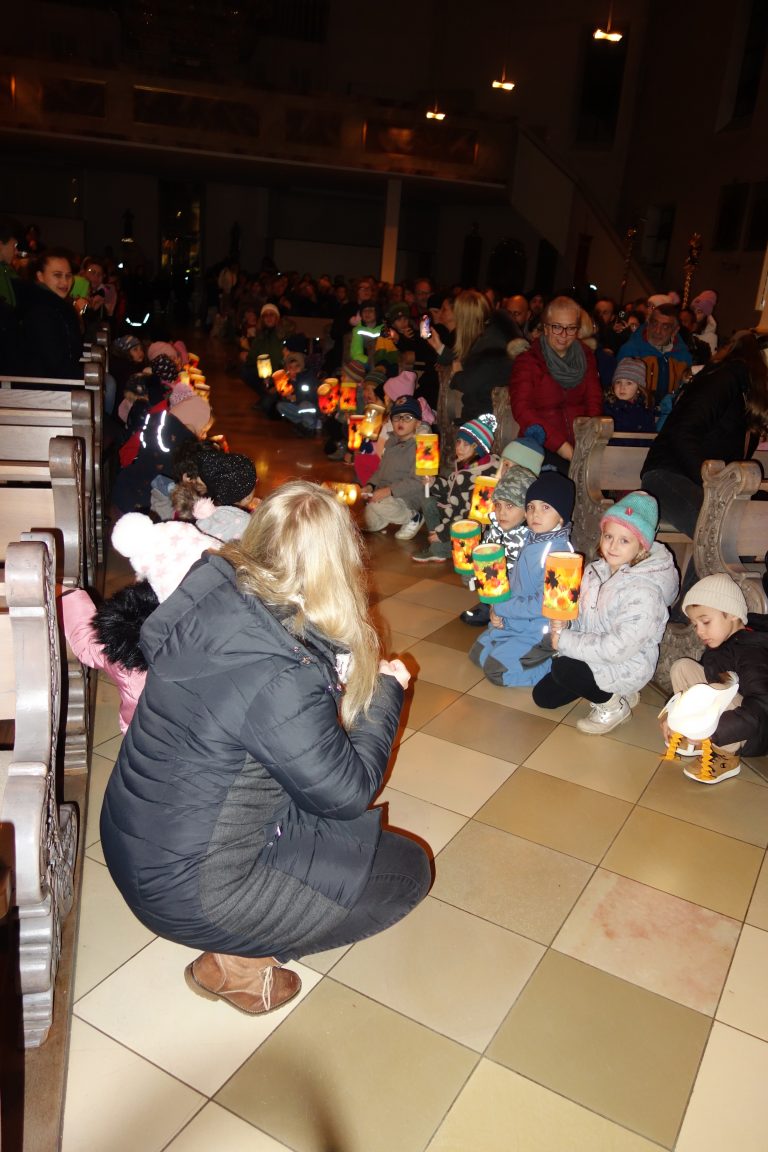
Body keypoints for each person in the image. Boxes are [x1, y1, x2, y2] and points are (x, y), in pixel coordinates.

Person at [100, 481, 430, 1016]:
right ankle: (239, 963)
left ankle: (238, 936)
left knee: (322, 822)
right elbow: (347, 795)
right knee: (405, 872)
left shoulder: (210, 595)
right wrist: (385, 695)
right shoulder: (282, 671)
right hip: (190, 888)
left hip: (136, 840)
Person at [533, 491, 679, 733]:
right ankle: (618, 694)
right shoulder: (595, 571)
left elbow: (618, 647)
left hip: (626, 663)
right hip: (593, 654)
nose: (612, 546)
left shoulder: (645, 592)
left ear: (642, 545)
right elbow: (579, 615)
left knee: (564, 668)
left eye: (624, 540)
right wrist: (564, 622)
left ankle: (613, 706)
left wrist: (567, 642)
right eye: (608, 536)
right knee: (544, 697)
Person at [641, 330, 768, 604]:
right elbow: (682, 432)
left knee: (737, 526)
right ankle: (690, 619)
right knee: (719, 529)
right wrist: (711, 485)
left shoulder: (746, 390)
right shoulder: (725, 379)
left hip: (704, 484)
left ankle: (715, 619)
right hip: (668, 474)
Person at [469, 471, 575, 687]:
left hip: (539, 630)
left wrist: (502, 607)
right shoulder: (530, 538)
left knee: (497, 672)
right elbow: (514, 581)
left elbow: (544, 605)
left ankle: (550, 661)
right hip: (515, 621)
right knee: (477, 654)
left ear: (561, 516)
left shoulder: (561, 553)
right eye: (531, 507)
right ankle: (513, 648)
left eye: (545, 507)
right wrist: (495, 608)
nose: (536, 514)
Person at [661, 575, 768, 784]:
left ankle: (724, 755)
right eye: (695, 624)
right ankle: (691, 731)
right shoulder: (720, 643)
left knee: (718, 688)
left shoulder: (751, 652)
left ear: (731, 615)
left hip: (753, 731)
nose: (699, 631)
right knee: (682, 667)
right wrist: (670, 713)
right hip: (729, 715)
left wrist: (713, 734)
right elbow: (699, 685)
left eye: (706, 621)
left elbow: (762, 707)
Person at [509, 295, 603, 472]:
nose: (564, 335)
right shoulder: (529, 361)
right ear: (546, 327)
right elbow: (522, 410)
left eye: (570, 328)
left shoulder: (586, 357)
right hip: (541, 445)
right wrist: (562, 446)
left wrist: (588, 440)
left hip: (580, 444)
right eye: (557, 327)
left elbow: (594, 400)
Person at [413, 414, 499, 564]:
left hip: (469, 531)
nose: (459, 448)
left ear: (478, 448)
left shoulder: (468, 476)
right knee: (428, 497)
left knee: (427, 502)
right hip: (476, 527)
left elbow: (462, 513)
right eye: (458, 442)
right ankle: (441, 543)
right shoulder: (487, 464)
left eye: (466, 445)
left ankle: (438, 548)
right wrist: (435, 483)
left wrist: (442, 534)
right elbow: (454, 494)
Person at [459, 464, 537, 627]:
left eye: (510, 506)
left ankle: (499, 611)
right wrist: (473, 568)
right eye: (498, 505)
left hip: (520, 596)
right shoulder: (496, 528)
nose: (502, 512)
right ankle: (490, 606)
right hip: (496, 589)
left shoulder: (529, 538)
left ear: (527, 510)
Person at [437, 290, 527, 422]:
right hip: (485, 413)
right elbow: (463, 360)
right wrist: (439, 347)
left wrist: (457, 374)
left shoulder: (491, 347)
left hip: (486, 420)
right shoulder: (489, 334)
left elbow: (468, 383)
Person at [360, 396, 424, 538]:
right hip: (385, 495)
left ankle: (413, 517)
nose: (400, 421)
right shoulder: (391, 442)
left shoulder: (422, 447)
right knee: (364, 520)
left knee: (379, 504)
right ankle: (386, 517)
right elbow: (381, 470)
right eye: (397, 417)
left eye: (407, 418)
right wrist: (370, 485)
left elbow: (418, 481)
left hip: (407, 498)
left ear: (418, 423)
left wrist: (389, 491)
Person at [616, 303, 692, 418]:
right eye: (654, 323)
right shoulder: (631, 350)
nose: (657, 331)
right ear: (648, 323)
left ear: (675, 330)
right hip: (635, 416)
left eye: (665, 327)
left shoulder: (683, 356)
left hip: (669, 417)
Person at [17, 249, 84, 379]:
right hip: (44, 388)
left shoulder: (58, 306)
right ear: (40, 276)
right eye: (57, 275)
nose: (65, 282)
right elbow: (55, 363)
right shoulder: (39, 310)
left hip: (57, 380)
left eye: (68, 276)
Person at [604, 358, 657, 433]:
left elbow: (650, 434)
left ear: (638, 389)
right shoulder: (609, 408)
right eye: (618, 382)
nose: (622, 387)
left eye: (629, 383)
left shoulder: (645, 410)